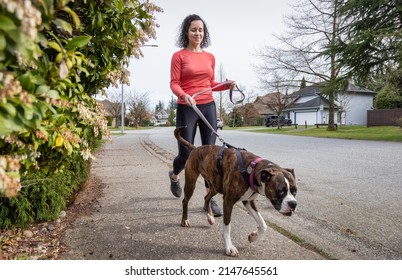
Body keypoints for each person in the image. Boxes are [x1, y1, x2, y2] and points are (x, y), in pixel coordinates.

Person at [168, 14, 236, 217]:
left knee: (211, 155)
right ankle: (174, 175)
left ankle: (210, 197)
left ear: (204, 33)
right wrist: (184, 95)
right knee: (187, 154)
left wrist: (226, 85)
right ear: (186, 32)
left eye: (201, 30)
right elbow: (174, 82)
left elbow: (210, 84)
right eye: (193, 29)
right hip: (187, 106)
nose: (197, 33)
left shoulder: (210, 57)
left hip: (208, 105)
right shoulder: (179, 56)